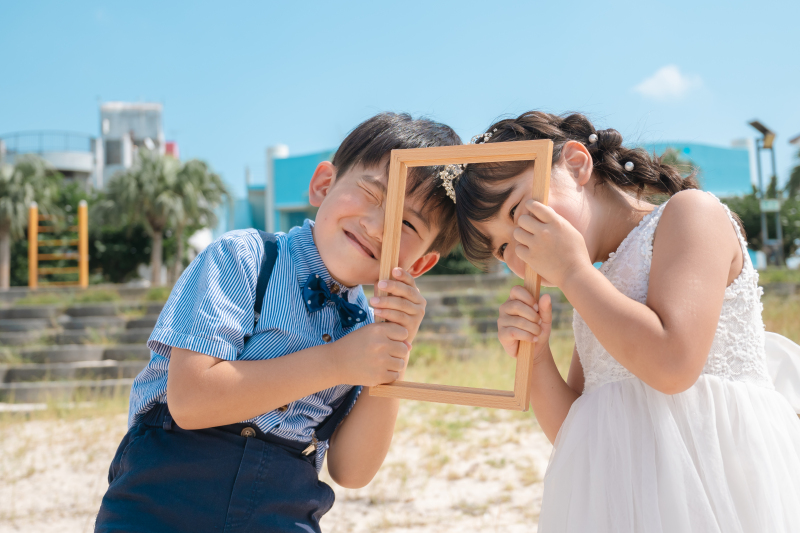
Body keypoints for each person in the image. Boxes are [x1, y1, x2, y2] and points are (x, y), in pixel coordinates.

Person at [95, 112, 462, 533]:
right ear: (323, 184)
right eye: (370, 193)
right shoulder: (244, 259)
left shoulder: (368, 328)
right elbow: (191, 402)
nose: (378, 227)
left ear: (421, 262)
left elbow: (352, 471)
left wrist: (395, 354)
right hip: (163, 496)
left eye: (407, 223)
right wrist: (338, 362)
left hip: (283, 508)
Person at [451, 111, 800, 532]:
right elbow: (576, 431)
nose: (521, 249)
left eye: (520, 211)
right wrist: (537, 356)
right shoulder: (595, 287)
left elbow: (673, 365)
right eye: (503, 247)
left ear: (577, 165)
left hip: (715, 485)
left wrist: (575, 274)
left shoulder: (689, 214)